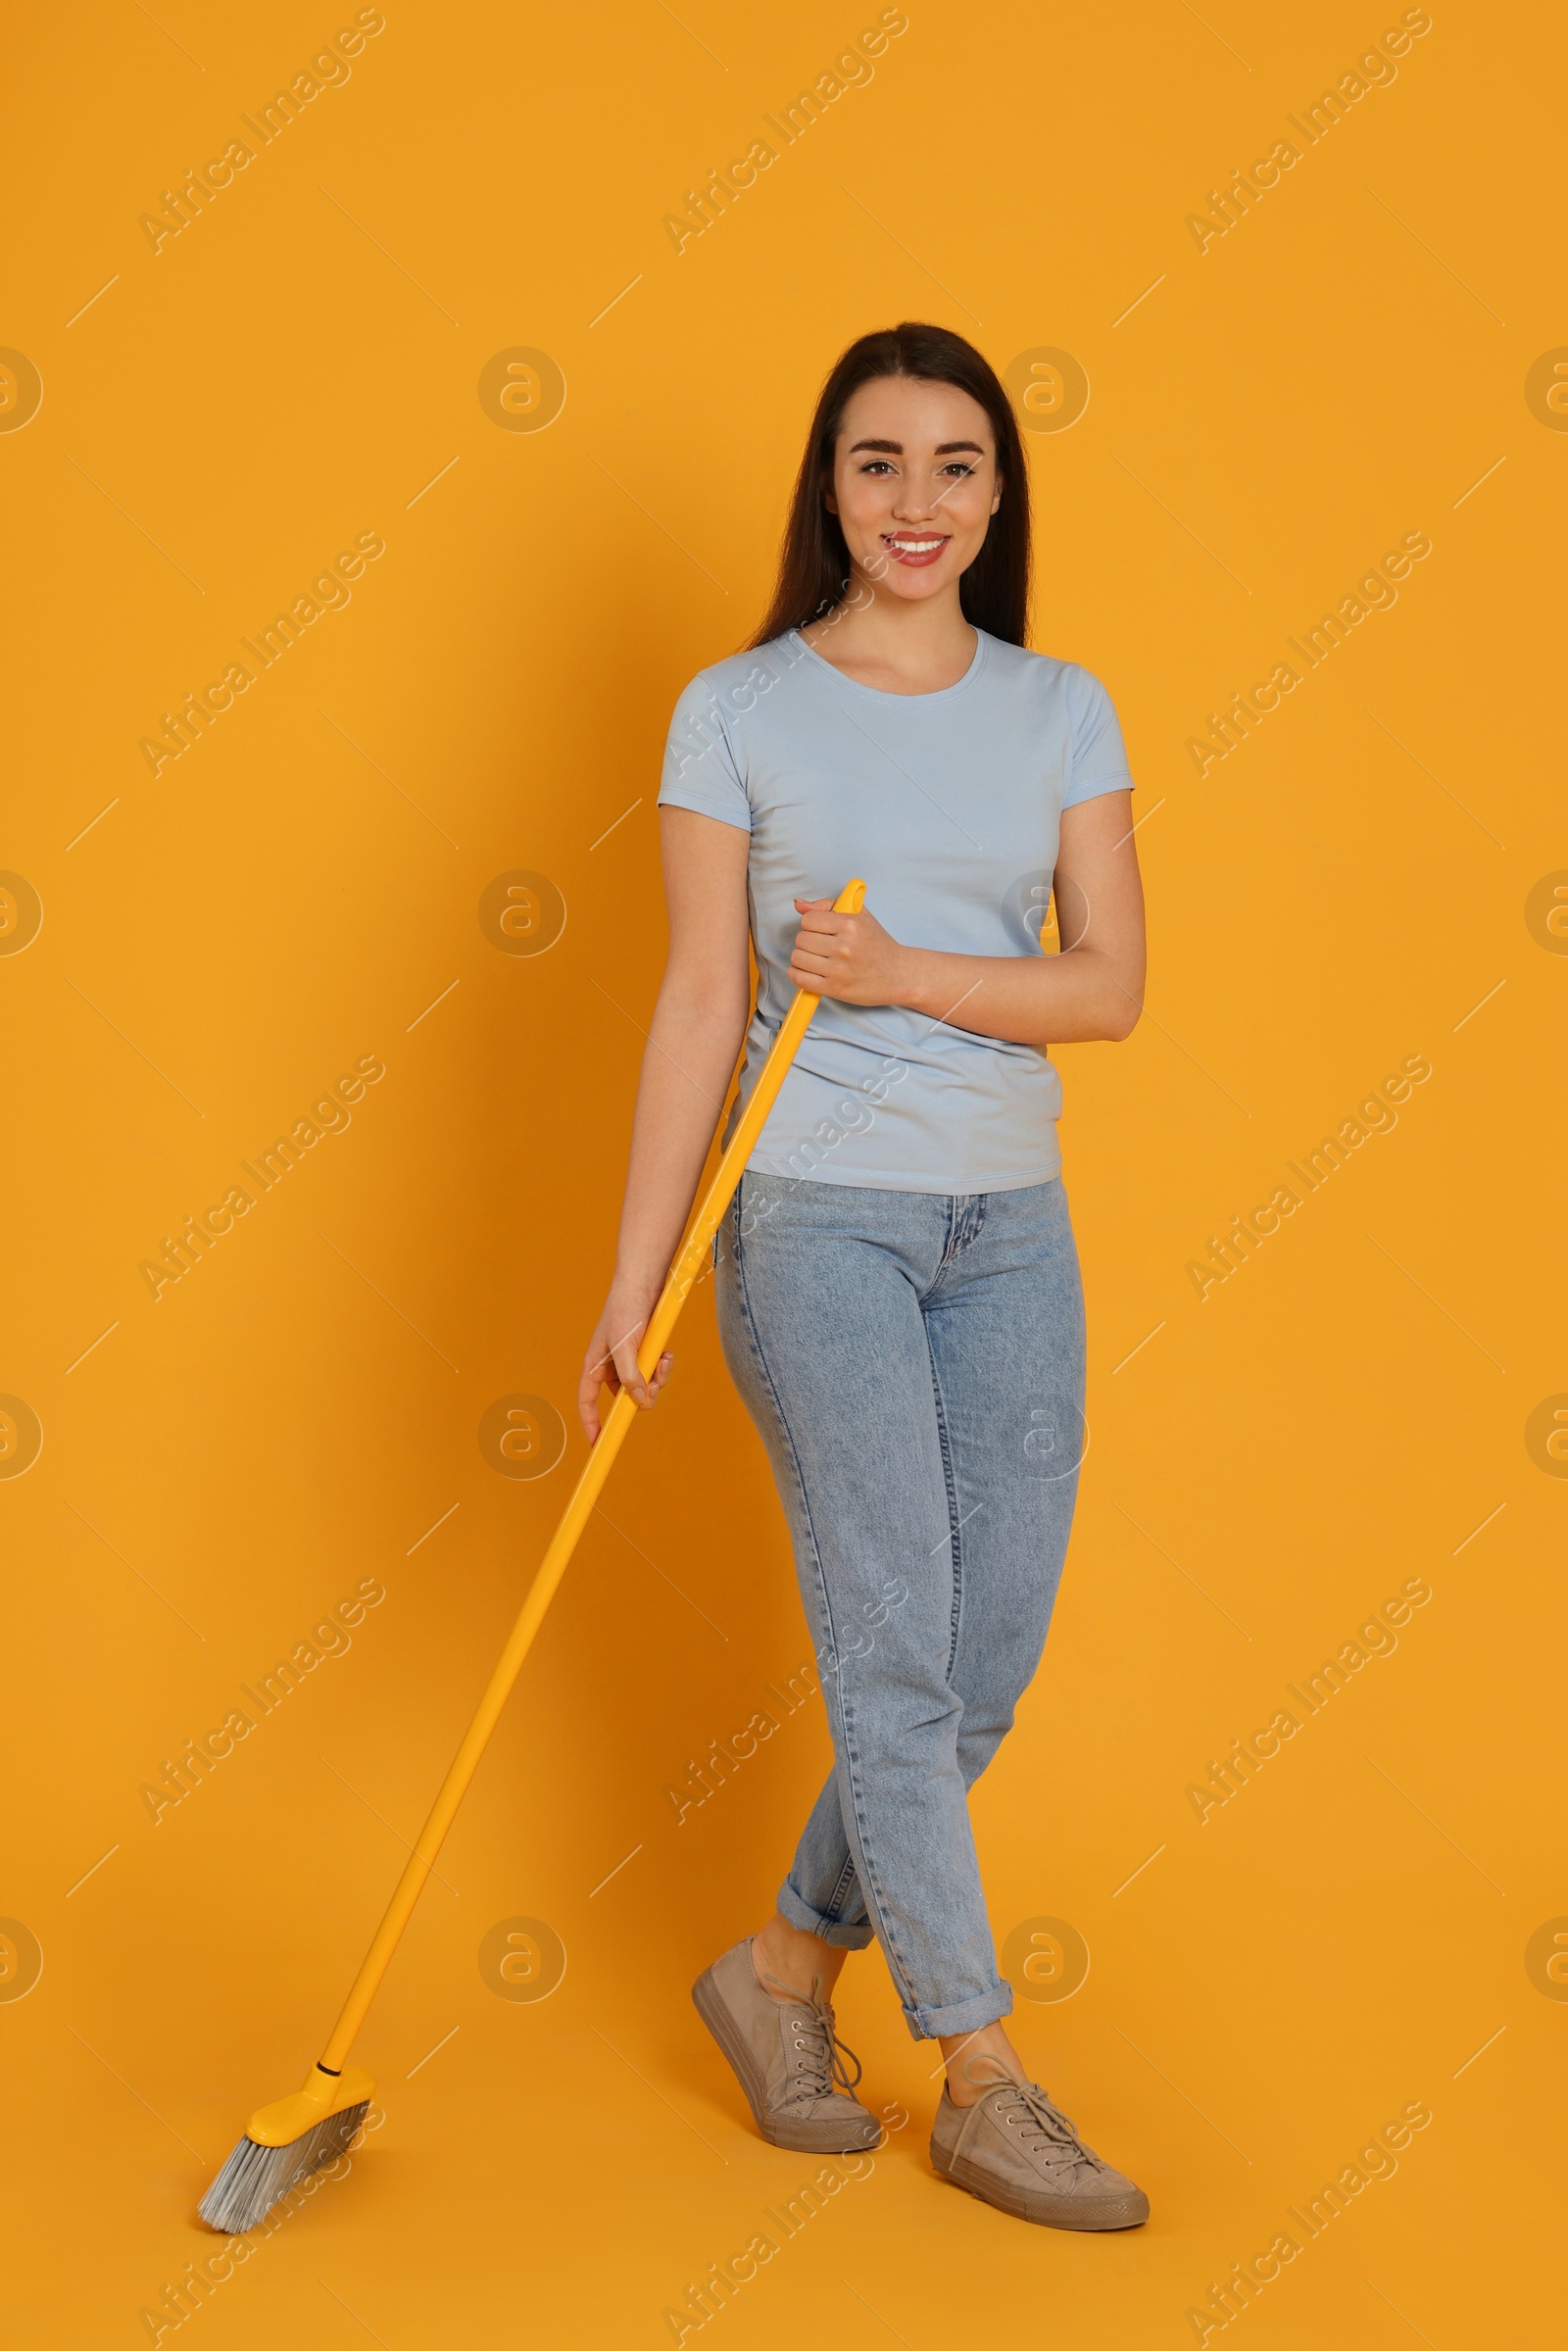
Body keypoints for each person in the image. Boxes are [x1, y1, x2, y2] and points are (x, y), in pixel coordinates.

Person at [577, 320, 1149, 2230]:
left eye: (955, 464)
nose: (917, 503)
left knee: (984, 1652)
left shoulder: (1059, 704)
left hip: (1009, 1228)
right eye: (877, 462)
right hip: (807, 1214)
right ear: (826, 485)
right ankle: (976, 2067)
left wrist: (903, 974)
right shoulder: (733, 708)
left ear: (1000, 491)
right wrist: (632, 1281)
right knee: (895, 1642)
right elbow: (692, 1003)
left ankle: (781, 1975)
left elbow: (1107, 986)